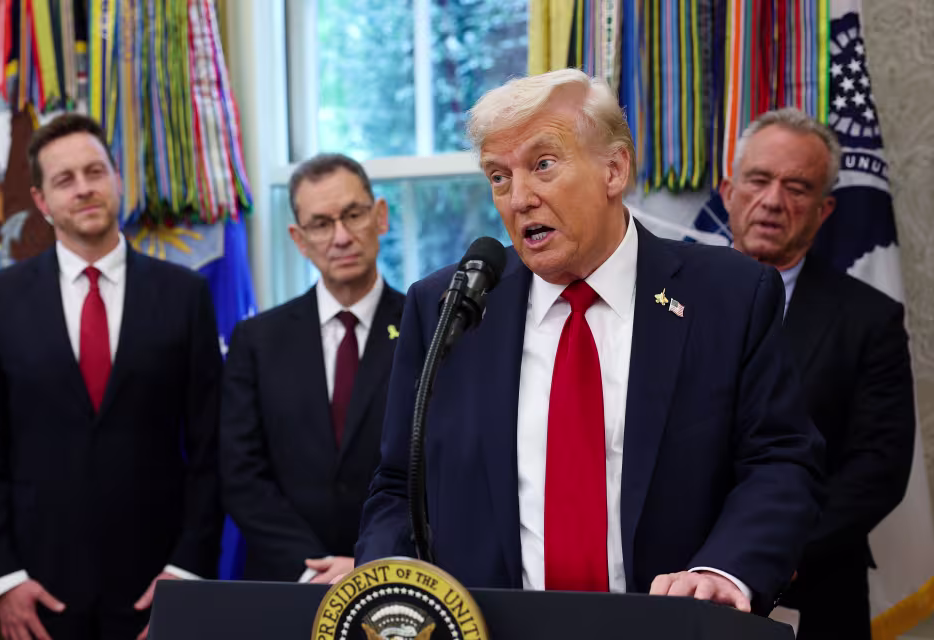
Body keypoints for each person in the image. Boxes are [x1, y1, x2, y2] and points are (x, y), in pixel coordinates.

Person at [355, 69, 824, 616]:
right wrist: (383, 595)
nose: (519, 198)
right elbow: (399, 484)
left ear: (614, 169)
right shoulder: (447, 307)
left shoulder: (729, 295)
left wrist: (723, 570)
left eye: (543, 164)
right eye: (499, 176)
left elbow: (779, 460)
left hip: (671, 627)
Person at [0, 113, 223, 640]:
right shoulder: (0, 300)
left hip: (156, 588)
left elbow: (212, 448)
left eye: (95, 171)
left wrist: (186, 571)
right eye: (65, 179)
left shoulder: (185, 295)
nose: (83, 188)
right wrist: (4, 580)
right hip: (39, 594)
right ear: (41, 201)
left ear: (117, 179)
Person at [721, 107, 914, 637]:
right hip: (671, 580)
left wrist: (766, 551)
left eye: (797, 187)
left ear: (824, 210)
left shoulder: (870, 319)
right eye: (758, 179)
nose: (773, 201)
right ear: (728, 191)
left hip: (813, 586)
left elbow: (878, 469)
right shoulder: (665, 299)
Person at [220, 154, 403, 584]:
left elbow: (439, 468)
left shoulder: (427, 327)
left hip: (395, 577)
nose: (341, 237)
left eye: (353, 215)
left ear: (380, 216)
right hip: (286, 583)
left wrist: (370, 560)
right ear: (299, 239)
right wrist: (310, 569)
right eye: (321, 224)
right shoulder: (257, 340)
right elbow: (241, 474)